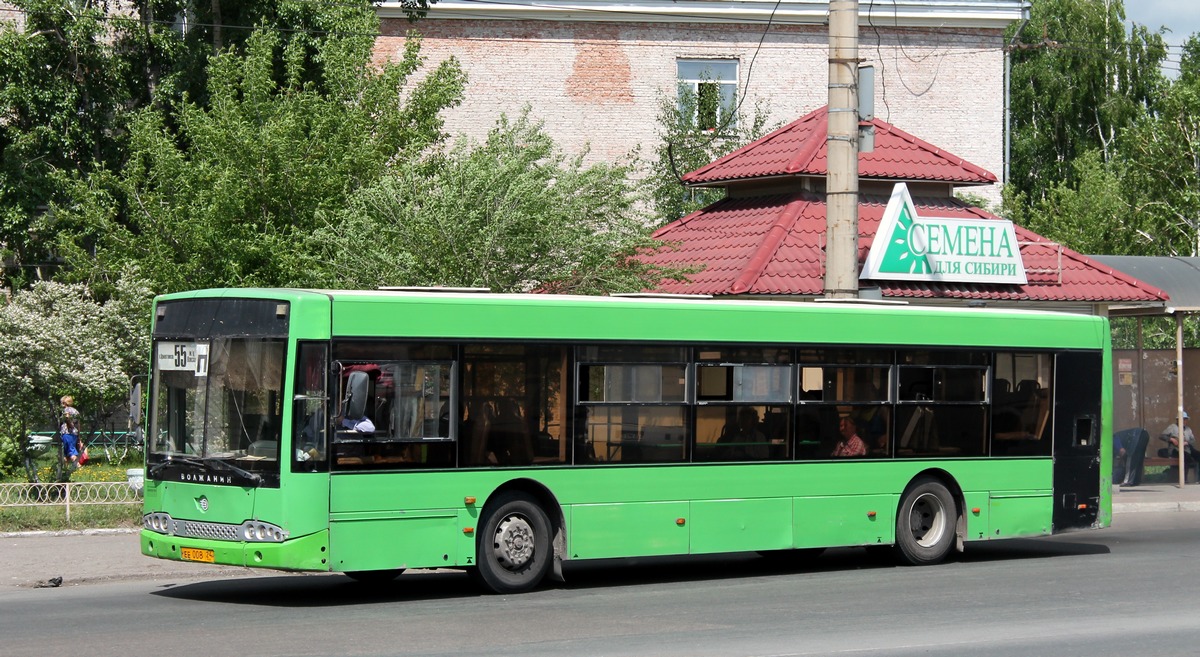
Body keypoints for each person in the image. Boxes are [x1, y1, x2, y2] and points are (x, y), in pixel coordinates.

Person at [1158, 411, 1198, 482]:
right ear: (1178, 420)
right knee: (1186, 457)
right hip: (1175, 450)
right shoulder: (1172, 427)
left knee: (1197, 455)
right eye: (1183, 419)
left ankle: (1198, 478)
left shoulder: (1188, 429)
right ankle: (1184, 479)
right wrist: (1171, 439)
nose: (1184, 421)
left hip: (1187, 449)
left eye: (1185, 419)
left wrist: (1186, 442)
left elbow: (1193, 440)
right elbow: (1162, 436)